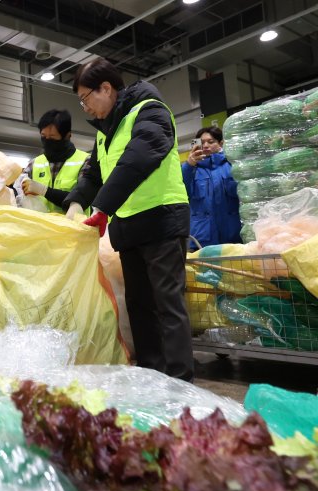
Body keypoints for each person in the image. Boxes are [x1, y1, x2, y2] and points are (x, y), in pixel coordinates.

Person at [63, 58, 194, 382]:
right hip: (130, 227)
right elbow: (94, 171)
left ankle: (180, 381)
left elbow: (141, 156)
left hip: (162, 220)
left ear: (106, 88)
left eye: (86, 98)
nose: (86, 108)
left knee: (168, 304)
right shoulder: (107, 130)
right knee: (139, 306)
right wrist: (76, 202)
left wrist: (103, 206)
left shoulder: (149, 111)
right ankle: (152, 376)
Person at [19, 109, 90, 214]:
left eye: (52, 137)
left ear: (67, 136)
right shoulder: (34, 163)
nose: (47, 141)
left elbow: (82, 198)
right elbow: (19, 187)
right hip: (40, 227)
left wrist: (44, 191)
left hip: (72, 228)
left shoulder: (85, 161)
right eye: (43, 136)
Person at [182, 126, 241, 249]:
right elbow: (182, 191)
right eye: (202, 142)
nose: (206, 145)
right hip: (203, 237)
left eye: (211, 141)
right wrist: (189, 165)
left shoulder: (232, 164)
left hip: (233, 233)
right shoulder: (191, 169)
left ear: (221, 143)